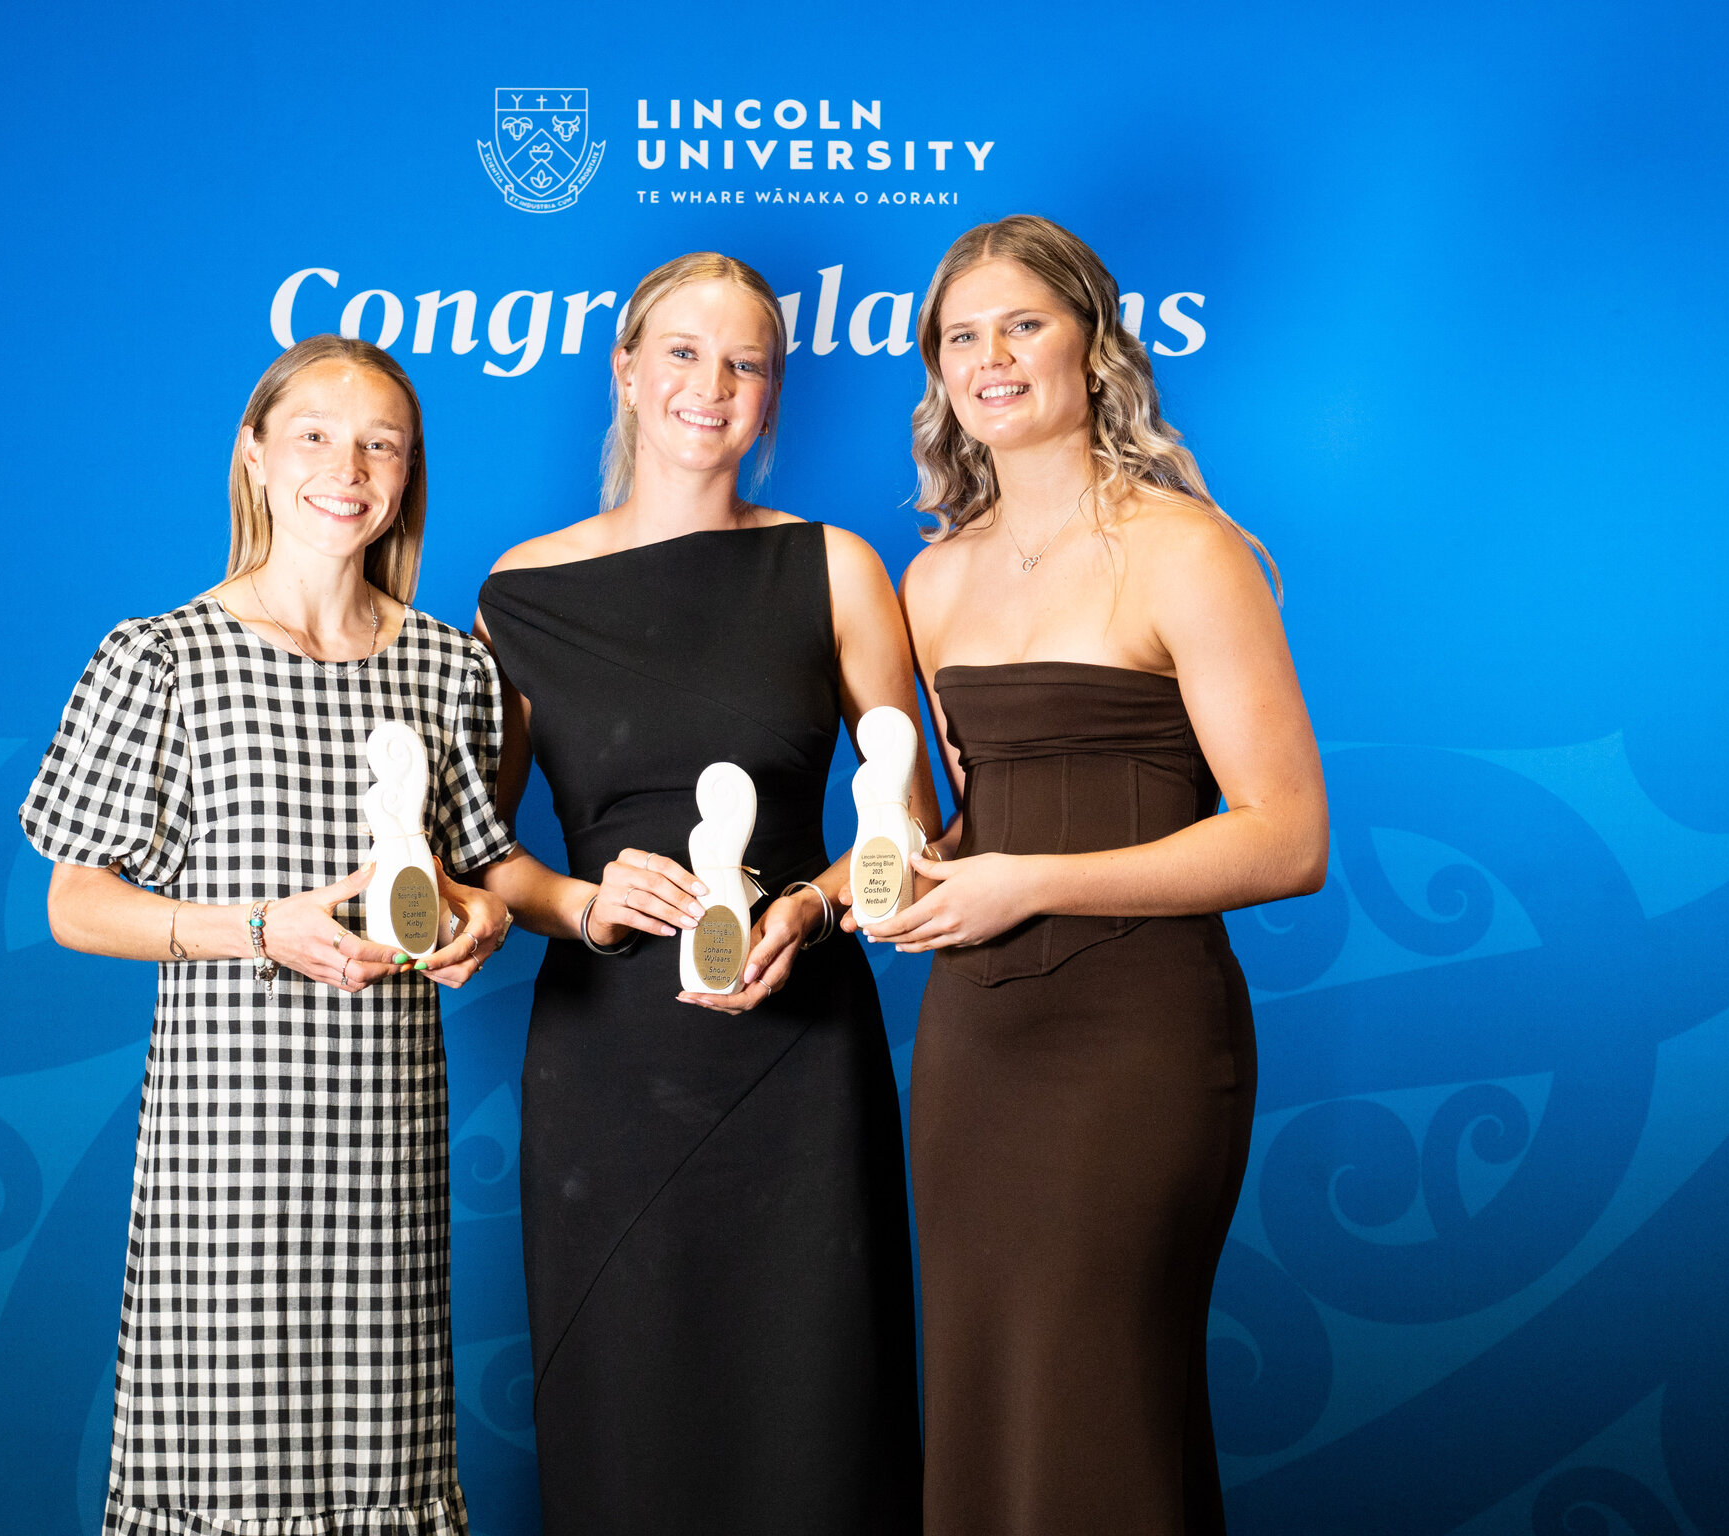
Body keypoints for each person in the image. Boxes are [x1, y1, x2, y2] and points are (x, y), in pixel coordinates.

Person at [873, 215, 1329, 1534]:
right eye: (962, 336)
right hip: (975, 1047)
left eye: (1022, 324)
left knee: (1098, 1402)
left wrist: (1027, 882)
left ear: (1092, 345)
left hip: (1136, 1040)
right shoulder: (931, 580)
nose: (991, 358)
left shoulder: (1186, 548)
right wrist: (890, 875)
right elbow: (971, 824)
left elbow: (1286, 838)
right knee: (988, 1393)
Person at [20, 334, 515, 1536]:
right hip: (227, 1143)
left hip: (386, 1138)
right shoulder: (161, 657)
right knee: (224, 1468)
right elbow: (73, 903)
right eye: (313, 436)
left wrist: (483, 917)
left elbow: (472, 879)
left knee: (387, 1461)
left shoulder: (449, 668)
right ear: (253, 455)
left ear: (407, 473)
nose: (346, 469)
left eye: (380, 445)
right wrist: (257, 929)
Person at [472, 252, 932, 1534]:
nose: (710, 384)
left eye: (744, 363)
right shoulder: (519, 595)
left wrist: (813, 908)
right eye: (681, 352)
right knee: (629, 1413)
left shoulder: (835, 567)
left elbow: (910, 820)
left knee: (815, 1409)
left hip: (798, 1050)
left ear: (772, 395)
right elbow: (483, 855)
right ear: (625, 371)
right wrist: (582, 900)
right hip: (608, 1064)